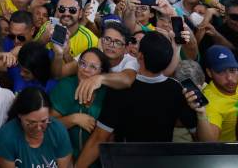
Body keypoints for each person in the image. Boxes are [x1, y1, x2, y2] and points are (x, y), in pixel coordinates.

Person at [76, 31, 212, 167]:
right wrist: (201, 113)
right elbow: (205, 142)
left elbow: (99, 138)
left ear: (139, 56)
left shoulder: (120, 90)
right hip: (162, 163)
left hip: (126, 162)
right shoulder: (176, 89)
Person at [49, 48, 110, 160]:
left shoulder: (106, 92)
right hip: (65, 159)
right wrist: (73, 119)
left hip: (100, 160)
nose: (85, 70)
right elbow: (48, 126)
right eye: (82, 64)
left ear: (102, 72)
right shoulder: (65, 86)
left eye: (93, 67)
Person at [0, 87, 73, 168]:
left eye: (44, 121)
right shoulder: (6, 137)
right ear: (20, 115)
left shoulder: (58, 130)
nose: (38, 128)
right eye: (31, 122)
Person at [200, 45, 238, 141]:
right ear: (209, 73)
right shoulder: (210, 103)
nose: (230, 78)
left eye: (232, 70)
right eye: (221, 72)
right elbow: (210, 142)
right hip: (229, 153)